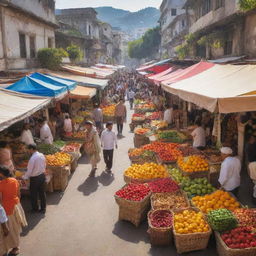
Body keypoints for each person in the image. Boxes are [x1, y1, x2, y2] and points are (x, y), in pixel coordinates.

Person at [0, 167, 27, 255]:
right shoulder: (14, 180)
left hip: (7, 209)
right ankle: (14, 246)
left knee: (10, 229)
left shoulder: (1, 184)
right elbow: (19, 194)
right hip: (16, 206)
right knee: (15, 227)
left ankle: (15, 247)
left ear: (1, 174)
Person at [22, 144, 47, 213]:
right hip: (42, 176)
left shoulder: (32, 158)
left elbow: (29, 170)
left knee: (33, 194)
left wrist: (24, 177)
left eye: (28, 149)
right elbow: (45, 164)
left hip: (35, 178)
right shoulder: (41, 155)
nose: (28, 151)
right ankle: (43, 208)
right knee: (42, 193)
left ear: (32, 149)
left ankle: (35, 209)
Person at [246, 135, 256, 204]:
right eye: (253, 138)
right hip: (251, 162)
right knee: (252, 176)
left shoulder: (253, 144)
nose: (254, 139)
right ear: (250, 139)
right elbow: (247, 155)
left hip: (253, 162)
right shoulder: (248, 146)